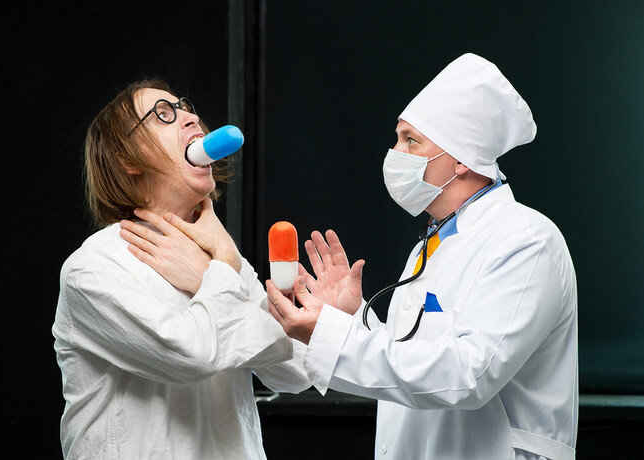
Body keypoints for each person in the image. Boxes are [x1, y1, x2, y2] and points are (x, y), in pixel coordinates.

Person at [266, 53, 578, 459]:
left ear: (462, 159)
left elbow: (468, 375)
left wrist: (328, 336)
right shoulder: (433, 244)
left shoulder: (527, 241)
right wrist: (352, 318)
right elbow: (410, 358)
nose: (395, 152)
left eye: (411, 140)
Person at [52, 78, 309, 459]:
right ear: (127, 160)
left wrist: (217, 271)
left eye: (185, 107)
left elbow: (295, 372)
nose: (191, 118)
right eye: (162, 115)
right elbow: (192, 355)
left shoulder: (221, 260)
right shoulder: (93, 268)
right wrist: (220, 270)